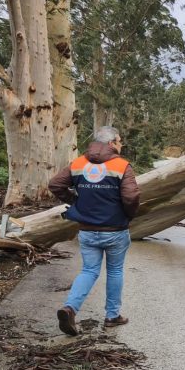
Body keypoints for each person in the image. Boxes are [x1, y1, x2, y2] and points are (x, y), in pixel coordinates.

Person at [48, 127, 141, 336]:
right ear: (111, 143)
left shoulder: (78, 163)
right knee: (115, 271)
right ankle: (112, 316)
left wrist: (76, 202)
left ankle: (70, 308)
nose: (121, 144)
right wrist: (127, 215)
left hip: (88, 230)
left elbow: (55, 184)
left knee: (89, 271)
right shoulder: (121, 166)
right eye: (119, 141)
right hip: (115, 230)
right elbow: (131, 197)